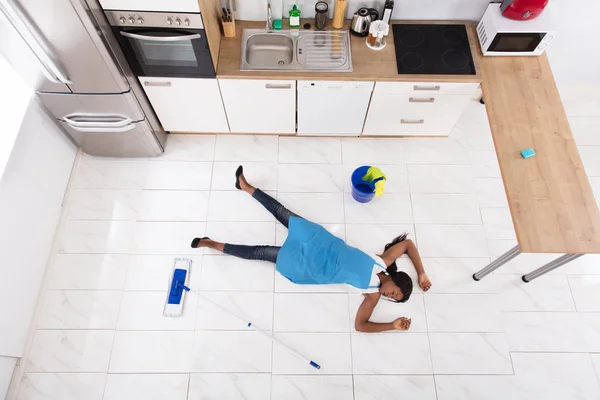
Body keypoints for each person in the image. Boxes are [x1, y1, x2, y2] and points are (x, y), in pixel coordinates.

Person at [191, 166, 432, 333]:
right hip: (319, 241)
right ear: (395, 280)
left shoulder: (372, 295)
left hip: (309, 265)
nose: (390, 296)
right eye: (396, 293)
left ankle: (211, 243)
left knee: (259, 252)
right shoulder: (382, 261)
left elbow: (361, 325)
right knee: (282, 212)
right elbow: (408, 245)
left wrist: (392, 325)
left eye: (394, 299)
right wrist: (421, 273)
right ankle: (245, 186)